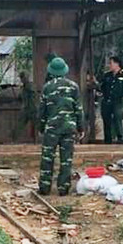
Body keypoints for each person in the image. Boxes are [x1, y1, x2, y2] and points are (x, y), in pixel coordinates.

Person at [37, 57, 83, 196]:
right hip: (69, 128)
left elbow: (42, 111)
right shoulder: (74, 86)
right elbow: (79, 109)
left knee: (47, 158)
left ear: (51, 71)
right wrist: (81, 128)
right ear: (64, 70)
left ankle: (44, 188)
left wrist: (41, 128)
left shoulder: (47, 87)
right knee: (66, 160)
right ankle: (63, 189)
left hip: (51, 129)